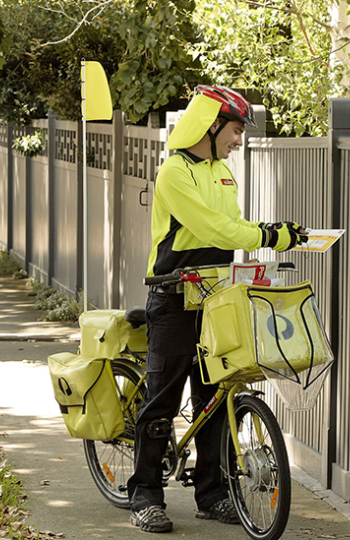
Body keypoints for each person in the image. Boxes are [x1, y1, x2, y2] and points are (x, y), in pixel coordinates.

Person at [127, 85, 307, 533]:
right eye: (234, 129)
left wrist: (270, 232)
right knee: (163, 400)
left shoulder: (223, 173)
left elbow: (233, 227)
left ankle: (212, 494)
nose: (238, 139)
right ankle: (145, 495)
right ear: (211, 126)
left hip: (213, 297)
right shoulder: (174, 172)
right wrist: (267, 237)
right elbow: (209, 227)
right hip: (172, 296)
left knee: (213, 398)